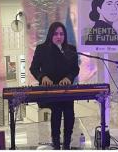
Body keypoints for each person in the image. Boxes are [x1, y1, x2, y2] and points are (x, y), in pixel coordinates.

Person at [29, 22, 80, 150]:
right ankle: (56, 144)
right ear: (51, 34)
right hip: (50, 90)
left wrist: (69, 78)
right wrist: (42, 77)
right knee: (56, 114)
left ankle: (67, 144)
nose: (59, 37)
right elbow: (33, 68)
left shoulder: (70, 49)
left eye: (62, 34)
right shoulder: (42, 49)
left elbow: (75, 69)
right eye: (56, 34)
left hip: (66, 90)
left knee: (69, 115)